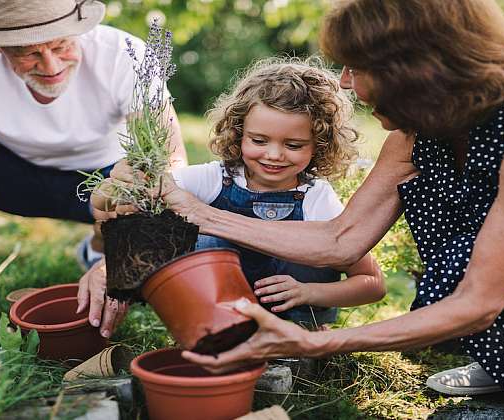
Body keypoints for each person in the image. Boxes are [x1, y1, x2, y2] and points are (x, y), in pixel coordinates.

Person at [99, 0, 504, 417]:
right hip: (503, 294)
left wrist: (316, 342)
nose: (345, 83)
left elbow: (478, 303)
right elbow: (341, 239)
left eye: (356, 67)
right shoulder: (415, 135)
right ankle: (503, 362)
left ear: (414, 70)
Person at [90, 58, 385, 331]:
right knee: (201, 238)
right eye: (258, 140)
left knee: (313, 247)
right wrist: (113, 187)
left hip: (293, 326)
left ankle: (297, 346)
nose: (274, 155)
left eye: (293, 145)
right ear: (239, 132)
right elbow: (114, 201)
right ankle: (209, 332)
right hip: (219, 322)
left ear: (319, 145)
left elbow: (372, 283)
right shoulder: (215, 179)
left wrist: (310, 292)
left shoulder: (316, 197)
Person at [0, 0, 188, 273]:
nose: (51, 66)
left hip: (103, 178)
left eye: (61, 46)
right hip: (10, 177)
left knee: (143, 195)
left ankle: (98, 245)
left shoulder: (122, 54)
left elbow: (170, 157)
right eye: (29, 53)